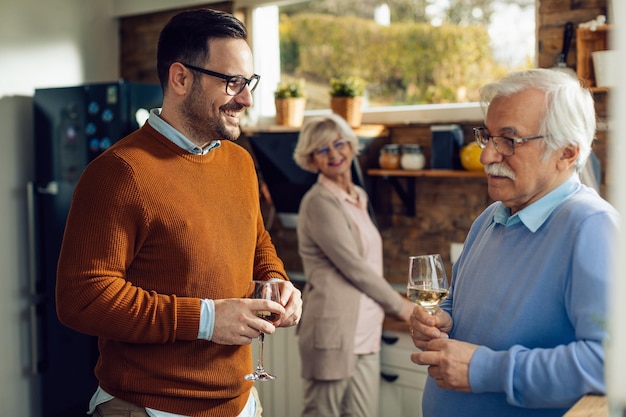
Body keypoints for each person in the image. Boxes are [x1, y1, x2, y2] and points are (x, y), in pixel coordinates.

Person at [56, 8, 302, 417]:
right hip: (150, 408)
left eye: (249, 82)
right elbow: (82, 298)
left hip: (242, 404)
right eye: (232, 83)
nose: (246, 98)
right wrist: (206, 320)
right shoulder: (119, 172)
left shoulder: (240, 162)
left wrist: (276, 280)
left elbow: (256, 242)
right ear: (181, 78)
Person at [409, 68, 619, 417]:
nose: (486, 156)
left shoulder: (591, 226)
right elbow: (456, 305)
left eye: (509, 140)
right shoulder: (490, 217)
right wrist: (441, 322)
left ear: (566, 153)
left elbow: (609, 363)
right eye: (487, 137)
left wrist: (485, 369)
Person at [293, 114, 415, 417]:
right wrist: (402, 307)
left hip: (367, 332)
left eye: (339, 144)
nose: (334, 154)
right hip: (333, 333)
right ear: (311, 159)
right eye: (323, 150)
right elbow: (355, 267)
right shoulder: (319, 202)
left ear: (351, 146)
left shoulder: (358, 196)